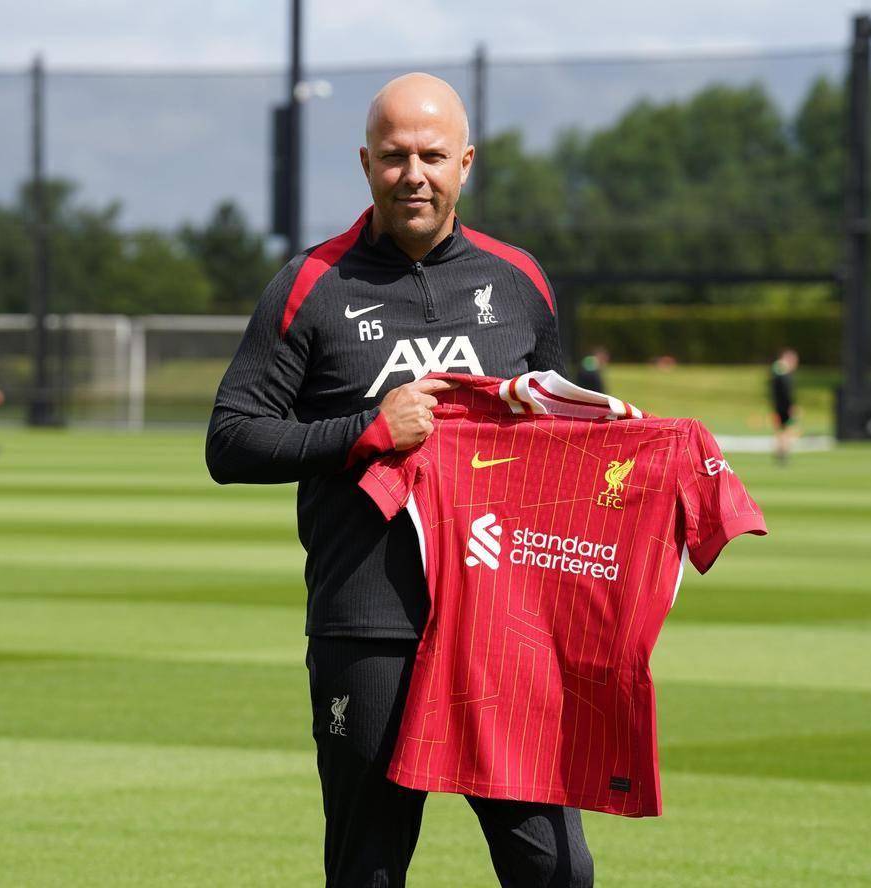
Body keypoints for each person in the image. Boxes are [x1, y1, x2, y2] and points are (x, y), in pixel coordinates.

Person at [206, 73, 593, 887]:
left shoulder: (519, 280)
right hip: (368, 628)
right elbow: (231, 441)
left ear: (466, 163)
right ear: (365, 163)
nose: (413, 174)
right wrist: (364, 433)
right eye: (394, 157)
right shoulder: (311, 284)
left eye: (432, 156)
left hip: (501, 628)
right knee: (369, 871)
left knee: (557, 871)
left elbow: (561, 440)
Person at [769, 347, 799, 465]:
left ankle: (780, 452)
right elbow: (787, 393)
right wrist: (791, 406)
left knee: (780, 431)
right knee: (785, 431)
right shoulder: (783, 374)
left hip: (777, 406)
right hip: (784, 407)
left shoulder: (776, 371)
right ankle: (783, 452)